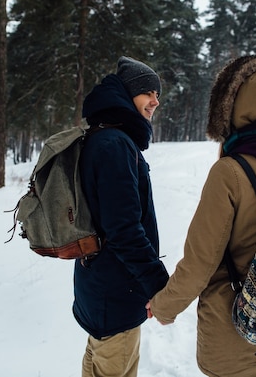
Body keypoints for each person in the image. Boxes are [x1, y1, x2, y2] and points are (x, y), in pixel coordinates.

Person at [146, 55, 256, 377]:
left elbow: (200, 261)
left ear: (234, 108)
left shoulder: (229, 173)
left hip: (237, 336)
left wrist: (164, 306)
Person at [74, 56, 170, 377]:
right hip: (116, 291)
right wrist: (158, 285)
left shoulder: (102, 137)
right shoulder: (115, 144)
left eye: (157, 93)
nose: (155, 100)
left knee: (98, 359)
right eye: (147, 92)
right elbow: (124, 229)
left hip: (99, 284)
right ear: (127, 93)